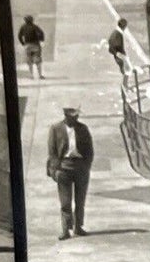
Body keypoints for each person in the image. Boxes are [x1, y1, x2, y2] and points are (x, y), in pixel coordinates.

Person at [47, 106, 94, 240]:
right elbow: (52, 152)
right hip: (64, 168)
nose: (76, 118)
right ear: (66, 116)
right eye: (73, 116)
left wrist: (86, 166)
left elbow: (89, 150)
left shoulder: (83, 129)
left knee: (80, 200)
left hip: (80, 168)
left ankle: (78, 227)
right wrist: (55, 171)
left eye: (77, 116)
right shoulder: (56, 129)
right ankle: (65, 230)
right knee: (65, 202)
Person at [17, 14, 45, 80]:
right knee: (38, 60)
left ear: (25, 20)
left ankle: (31, 76)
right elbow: (41, 33)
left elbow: (19, 36)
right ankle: (40, 75)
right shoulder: (35, 26)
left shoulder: (23, 27)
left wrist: (23, 43)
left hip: (27, 46)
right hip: (36, 45)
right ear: (32, 20)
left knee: (29, 61)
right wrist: (41, 40)